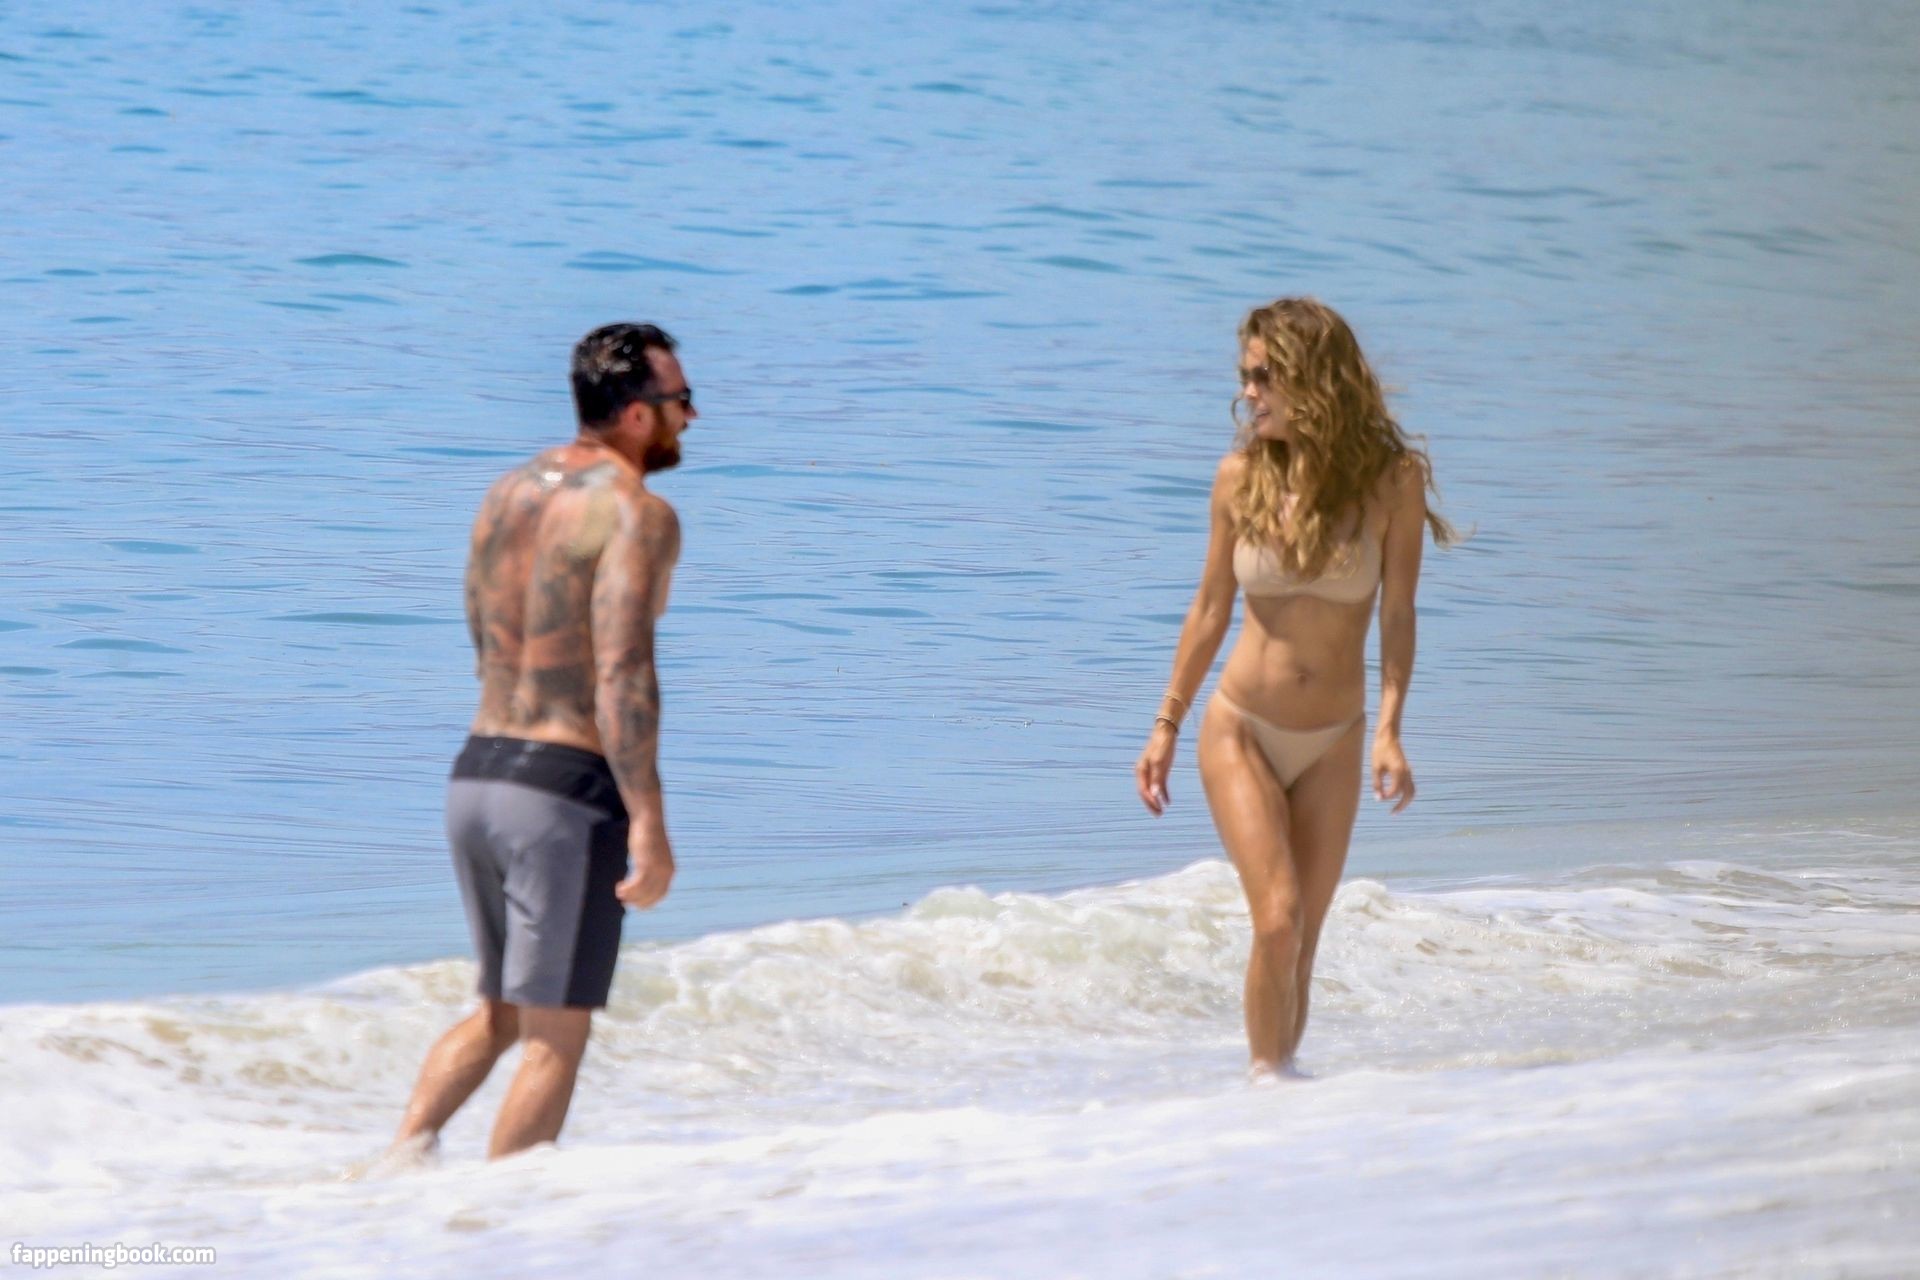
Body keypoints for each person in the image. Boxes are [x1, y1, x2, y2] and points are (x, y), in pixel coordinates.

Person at [392, 322, 693, 1159]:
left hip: (478, 773)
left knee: (500, 1013)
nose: (692, 417)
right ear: (637, 414)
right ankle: (500, 1220)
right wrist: (648, 820)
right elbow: (623, 669)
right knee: (556, 1035)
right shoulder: (637, 513)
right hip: (562, 792)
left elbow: (482, 632)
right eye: (681, 400)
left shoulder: (506, 494)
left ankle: (392, 1172)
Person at [1135, 298, 1454, 1076]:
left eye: (1263, 376)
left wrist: (1390, 729)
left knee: (1302, 942)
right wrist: (1167, 723)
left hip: (1335, 739)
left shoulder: (1393, 482)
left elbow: (1399, 614)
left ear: (1313, 378)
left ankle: (1284, 1106)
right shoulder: (1239, 479)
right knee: (1277, 920)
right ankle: (1263, 1086)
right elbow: (1210, 609)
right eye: (1245, 377)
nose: (1247, 392)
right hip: (1241, 726)